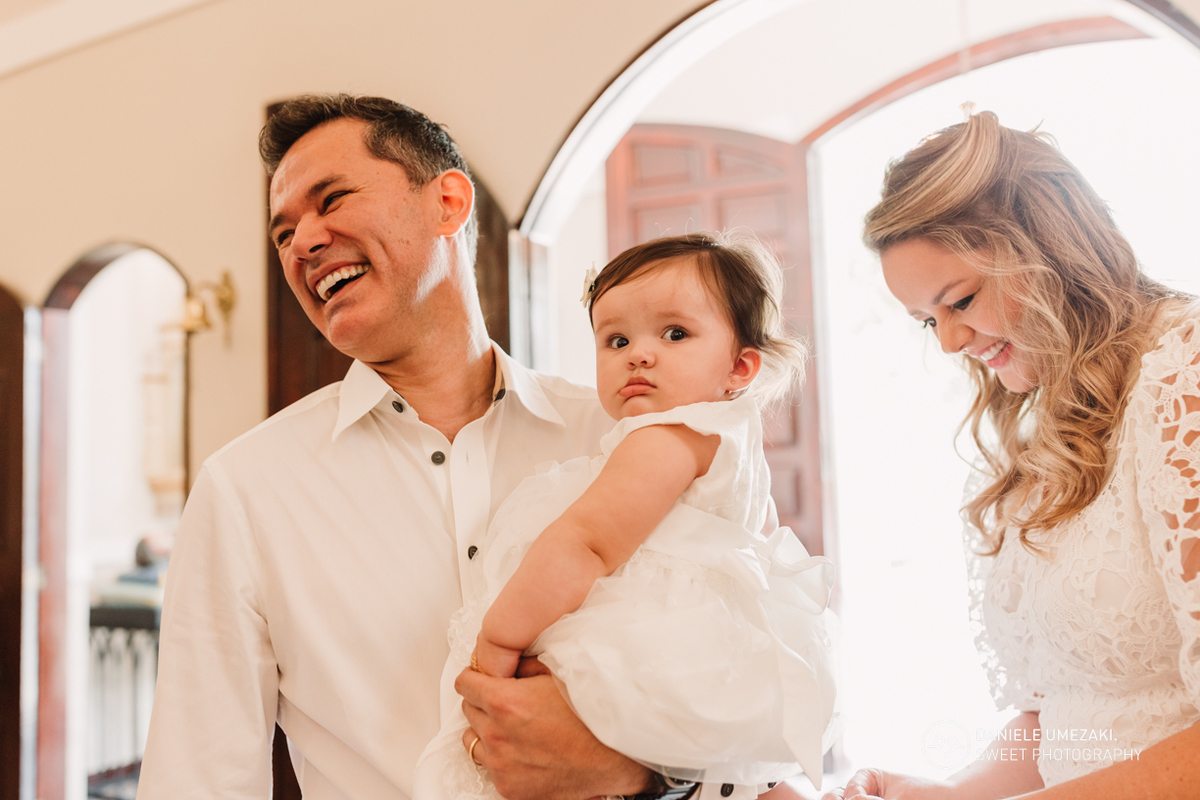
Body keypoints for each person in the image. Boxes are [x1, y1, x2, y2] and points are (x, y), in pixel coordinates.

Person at [136, 94, 741, 800]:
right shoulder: (244, 490)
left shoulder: (627, 440)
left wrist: (639, 772)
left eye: (332, 200)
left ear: (448, 203)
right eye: (284, 233)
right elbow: (198, 779)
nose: (302, 244)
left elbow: (759, 697)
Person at [825, 111, 1200, 800]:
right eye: (928, 321)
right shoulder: (1046, 428)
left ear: (1050, 246)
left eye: (961, 301)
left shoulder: (1185, 374)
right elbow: (1059, 719)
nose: (949, 342)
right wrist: (946, 794)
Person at [413, 234, 840, 800]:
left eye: (675, 334)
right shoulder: (734, 443)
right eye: (617, 340)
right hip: (712, 652)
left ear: (741, 367)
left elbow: (585, 543)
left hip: (647, 635)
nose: (638, 354)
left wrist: (499, 637)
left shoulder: (666, 438)